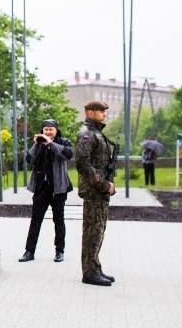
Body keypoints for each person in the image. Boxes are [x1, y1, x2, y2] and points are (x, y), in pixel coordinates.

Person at [18, 119, 73, 264]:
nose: (48, 132)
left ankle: (59, 251)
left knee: (59, 220)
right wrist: (36, 145)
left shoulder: (64, 142)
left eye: (51, 129)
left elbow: (68, 155)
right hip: (41, 187)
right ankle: (29, 251)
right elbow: (29, 160)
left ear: (56, 130)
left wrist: (51, 143)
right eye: (46, 129)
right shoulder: (39, 143)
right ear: (42, 130)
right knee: (35, 220)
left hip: (58, 189)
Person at [75, 100, 116, 287]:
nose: (104, 114)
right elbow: (83, 165)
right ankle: (89, 273)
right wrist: (104, 184)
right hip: (93, 190)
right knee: (92, 232)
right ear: (90, 112)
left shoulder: (96, 133)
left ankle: (95, 268)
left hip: (98, 191)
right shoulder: (87, 134)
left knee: (98, 231)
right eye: (101, 111)